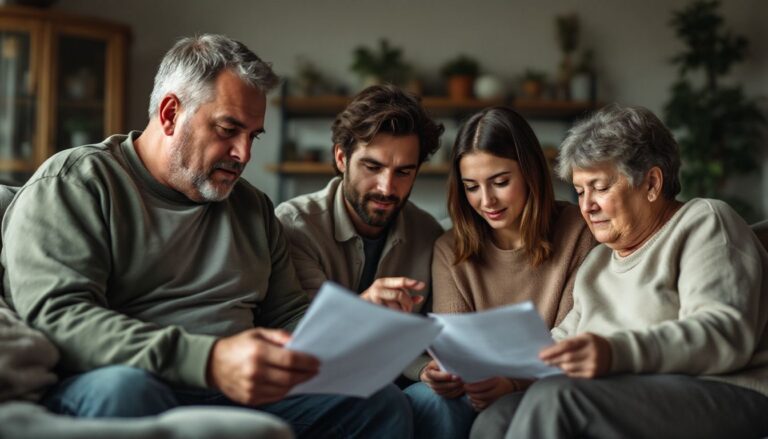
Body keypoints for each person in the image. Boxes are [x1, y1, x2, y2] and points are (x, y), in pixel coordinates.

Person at [2, 34, 411, 438]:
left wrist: (355, 327)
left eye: (253, 136)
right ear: (169, 114)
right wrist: (210, 360)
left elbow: (288, 318)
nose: (244, 154)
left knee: (378, 403)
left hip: (238, 391)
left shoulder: (253, 208)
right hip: (125, 381)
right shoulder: (78, 182)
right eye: (228, 129)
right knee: (127, 392)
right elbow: (60, 316)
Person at [472, 104, 768, 438]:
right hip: (635, 394)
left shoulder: (704, 222)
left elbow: (722, 334)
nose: (587, 206)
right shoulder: (597, 264)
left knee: (557, 398)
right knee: (497, 418)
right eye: (580, 191)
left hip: (727, 391)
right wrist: (507, 375)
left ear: (652, 183)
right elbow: (565, 342)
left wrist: (615, 353)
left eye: (599, 187)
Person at [404, 106, 596, 439]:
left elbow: (573, 339)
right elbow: (458, 350)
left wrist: (513, 382)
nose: (487, 200)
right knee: (432, 402)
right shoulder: (451, 249)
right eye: (471, 187)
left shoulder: (580, 232)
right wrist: (441, 373)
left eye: (501, 182)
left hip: (551, 383)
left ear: (531, 173)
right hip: (475, 388)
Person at [275, 85, 444, 317]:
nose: (386, 188)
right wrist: (364, 308)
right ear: (342, 158)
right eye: (373, 167)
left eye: (403, 172)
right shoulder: (295, 226)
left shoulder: (429, 235)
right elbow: (299, 330)